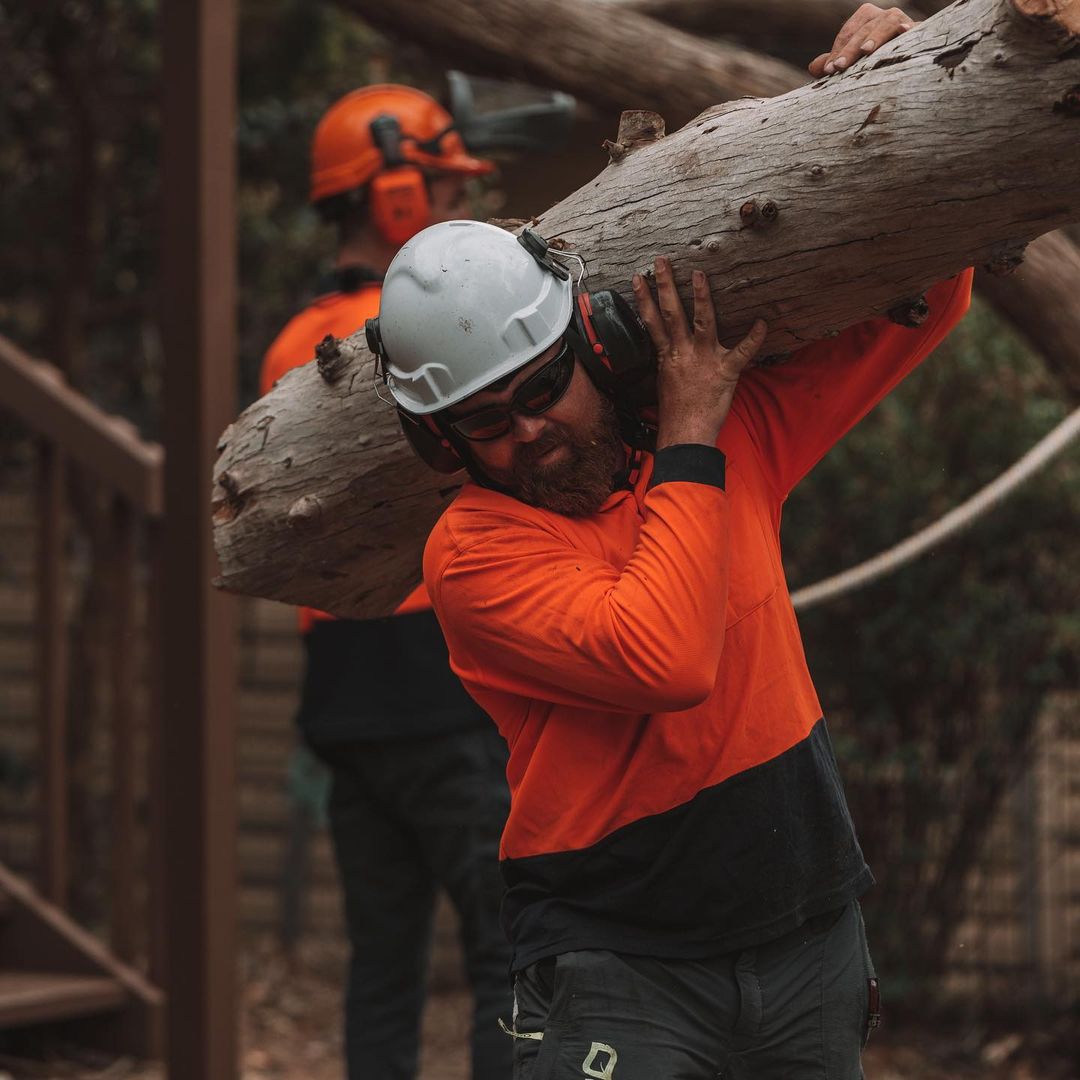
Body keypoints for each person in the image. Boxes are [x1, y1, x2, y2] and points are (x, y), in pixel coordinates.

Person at [361, 14, 971, 1070]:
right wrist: (692, 427)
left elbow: (932, 298)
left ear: (589, 340)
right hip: (616, 961)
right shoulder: (471, 555)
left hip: (809, 930)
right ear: (439, 440)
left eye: (542, 386)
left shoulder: (732, 430)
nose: (528, 430)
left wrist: (894, 81)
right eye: (485, 423)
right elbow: (666, 655)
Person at [259, 84, 513, 1080]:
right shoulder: (427, 324)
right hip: (444, 683)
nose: (457, 207)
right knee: (510, 955)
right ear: (397, 198)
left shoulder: (294, 342)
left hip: (346, 698)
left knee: (382, 968)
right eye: (447, 188)